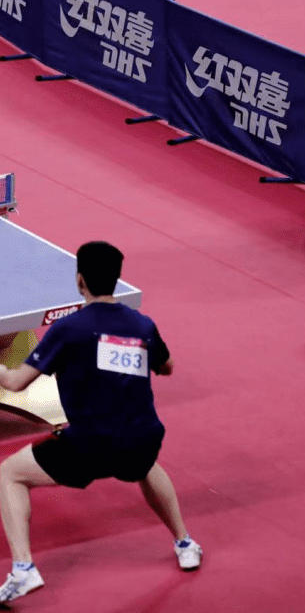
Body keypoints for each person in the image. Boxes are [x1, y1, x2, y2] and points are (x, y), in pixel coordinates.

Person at [0, 242, 200, 603]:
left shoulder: (68, 329)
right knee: (145, 465)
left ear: (79, 281)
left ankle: (24, 569)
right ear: (117, 279)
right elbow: (167, 367)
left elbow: (15, 382)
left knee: (9, 474)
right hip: (142, 439)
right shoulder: (142, 324)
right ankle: (185, 542)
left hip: (88, 446)